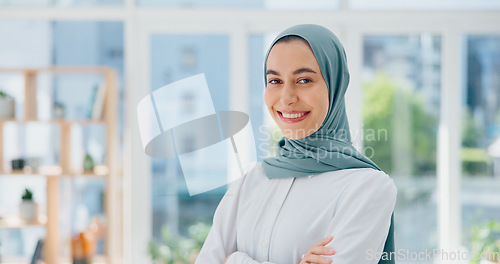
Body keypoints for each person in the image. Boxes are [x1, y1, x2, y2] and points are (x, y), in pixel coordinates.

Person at [195, 24, 397, 264]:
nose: (287, 97)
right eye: (275, 80)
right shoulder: (251, 179)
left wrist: (235, 260)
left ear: (335, 85)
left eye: (303, 80)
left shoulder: (367, 187)